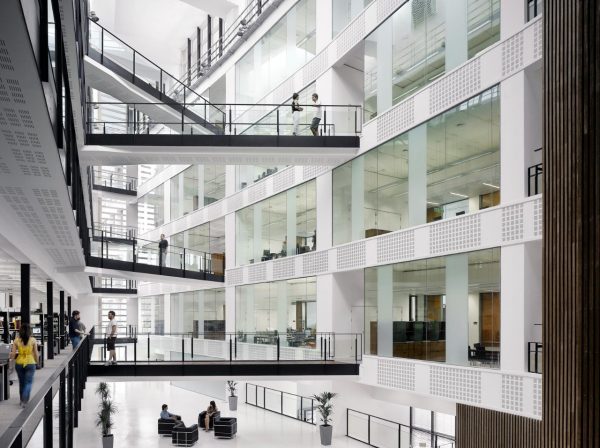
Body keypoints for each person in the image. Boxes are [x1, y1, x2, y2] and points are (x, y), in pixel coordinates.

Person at [10, 323, 39, 407]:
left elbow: (13, 353)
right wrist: (37, 362)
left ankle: (21, 400)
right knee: (28, 382)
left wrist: (11, 362)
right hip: (30, 362)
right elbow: (36, 353)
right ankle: (25, 400)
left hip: (19, 362)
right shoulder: (33, 340)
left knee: (21, 382)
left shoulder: (16, 340)